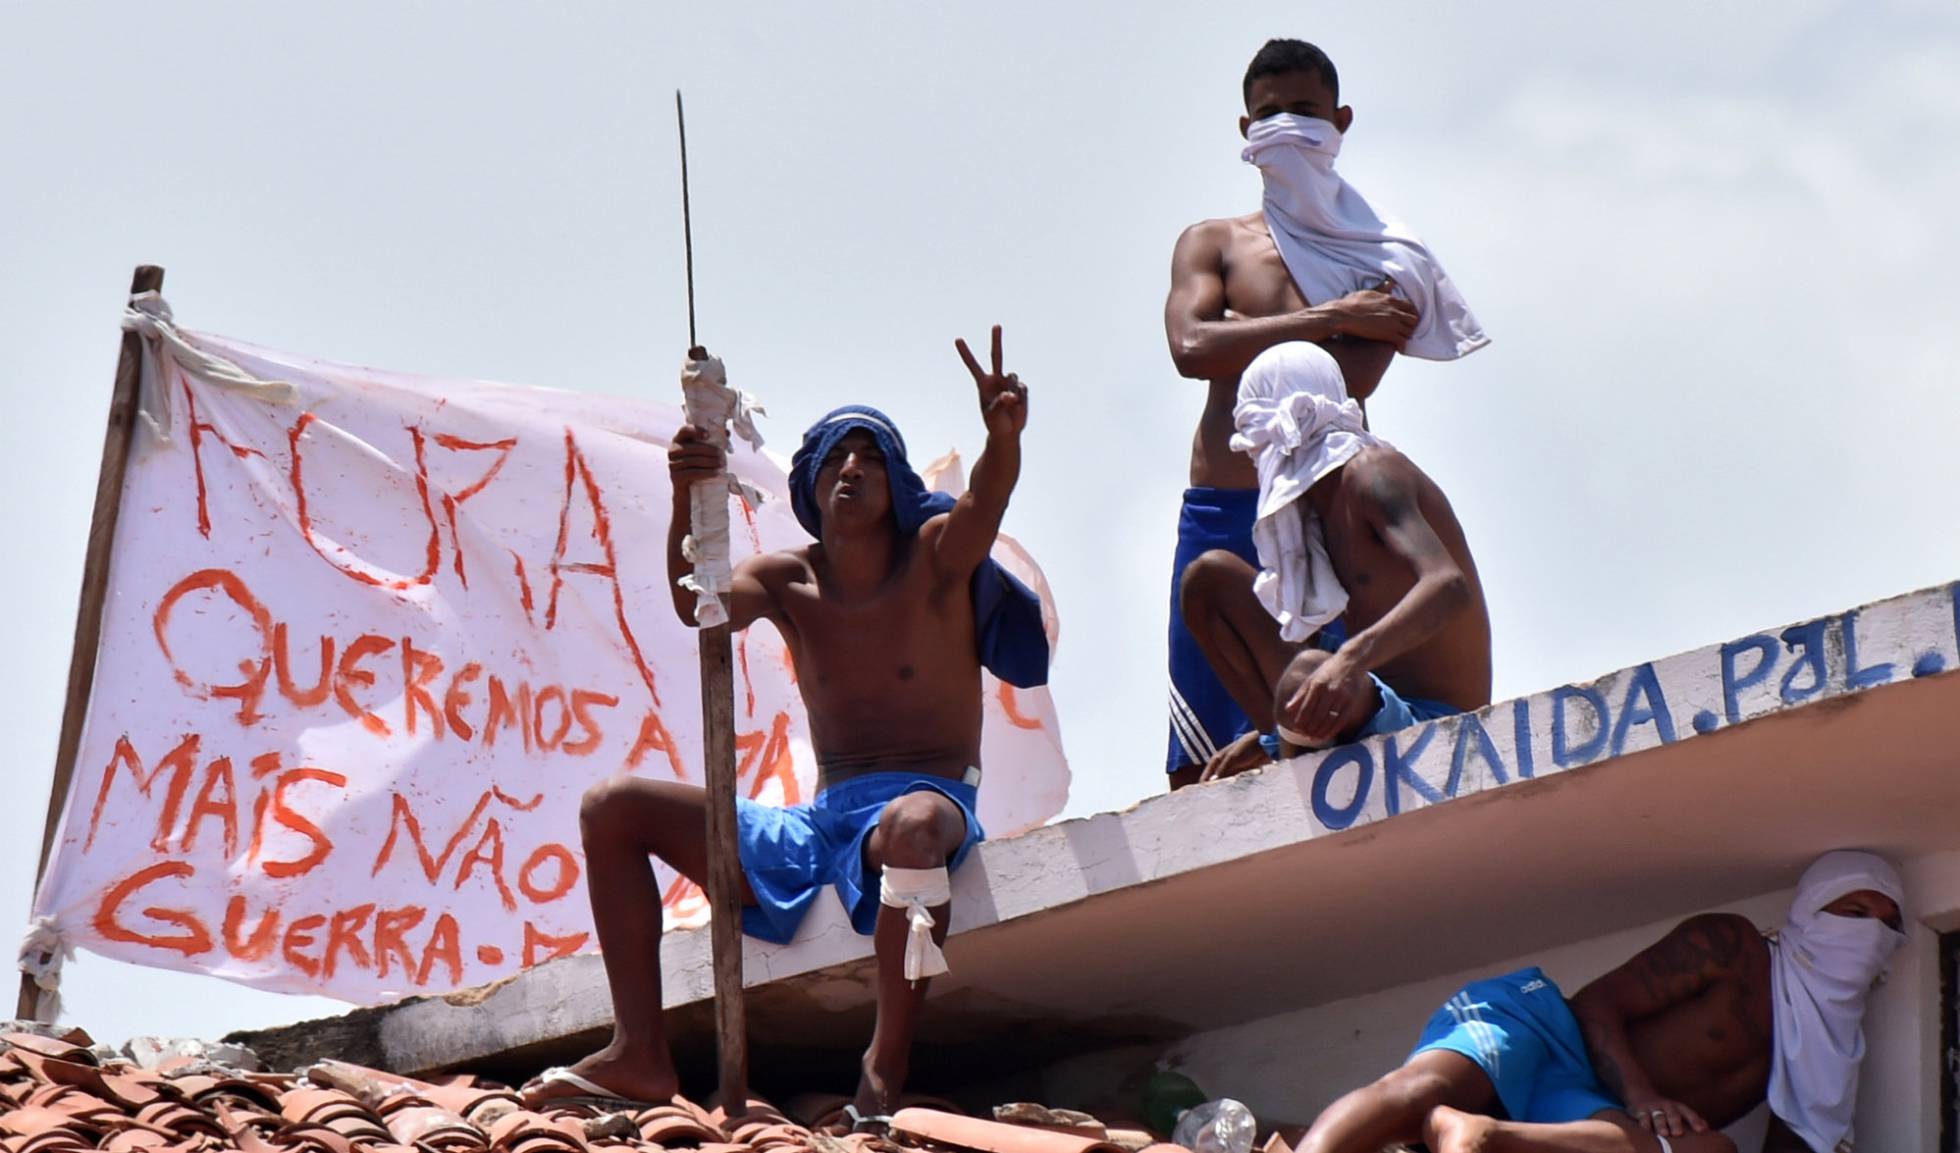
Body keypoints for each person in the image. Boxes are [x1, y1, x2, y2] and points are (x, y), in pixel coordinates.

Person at [522, 327, 1046, 1131]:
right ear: (808, 483)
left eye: (871, 456)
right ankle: (640, 1051)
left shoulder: (937, 554)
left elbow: (986, 501)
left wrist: (1000, 438)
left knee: (910, 826)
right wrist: (685, 497)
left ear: (899, 481)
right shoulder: (787, 577)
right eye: (836, 455)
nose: (852, 468)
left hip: (924, 801)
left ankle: (884, 1065)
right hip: (819, 822)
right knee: (610, 804)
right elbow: (700, 607)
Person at [1162, 37, 1487, 788]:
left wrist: (1271, 335)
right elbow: (1190, 346)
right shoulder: (1213, 242)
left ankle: (1290, 757)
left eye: (1304, 112)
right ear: (1244, 130)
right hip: (1225, 502)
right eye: (1268, 114)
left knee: (1328, 695)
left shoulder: (1386, 253)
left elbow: (1345, 383)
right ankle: (1272, 756)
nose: (1285, 127)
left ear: (1340, 120)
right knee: (1199, 763)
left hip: (1323, 501)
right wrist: (1329, 317)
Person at [1290, 851, 1909, 1153]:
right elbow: (1594, 1005)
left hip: (1589, 1109)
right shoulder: (1733, 947)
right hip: (1544, 1023)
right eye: (1851, 914)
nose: (1865, 937)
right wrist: (1644, 1096)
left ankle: (1475, 1136)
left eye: (1885, 926)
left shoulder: (1830, 1054)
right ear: (1806, 912)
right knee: (1420, 1090)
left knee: (1713, 1152)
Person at [1179, 342, 1489, 777]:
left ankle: (1293, 766)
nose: (1249, 451)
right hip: (1365, 694)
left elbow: (1447, 586)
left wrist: (1348, 661)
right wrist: (1284, 717)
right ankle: (1282, 741)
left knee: (1308, 670)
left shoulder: (1373, 473)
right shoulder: (1308, 511)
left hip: (1436, 722)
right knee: (1209, 579)